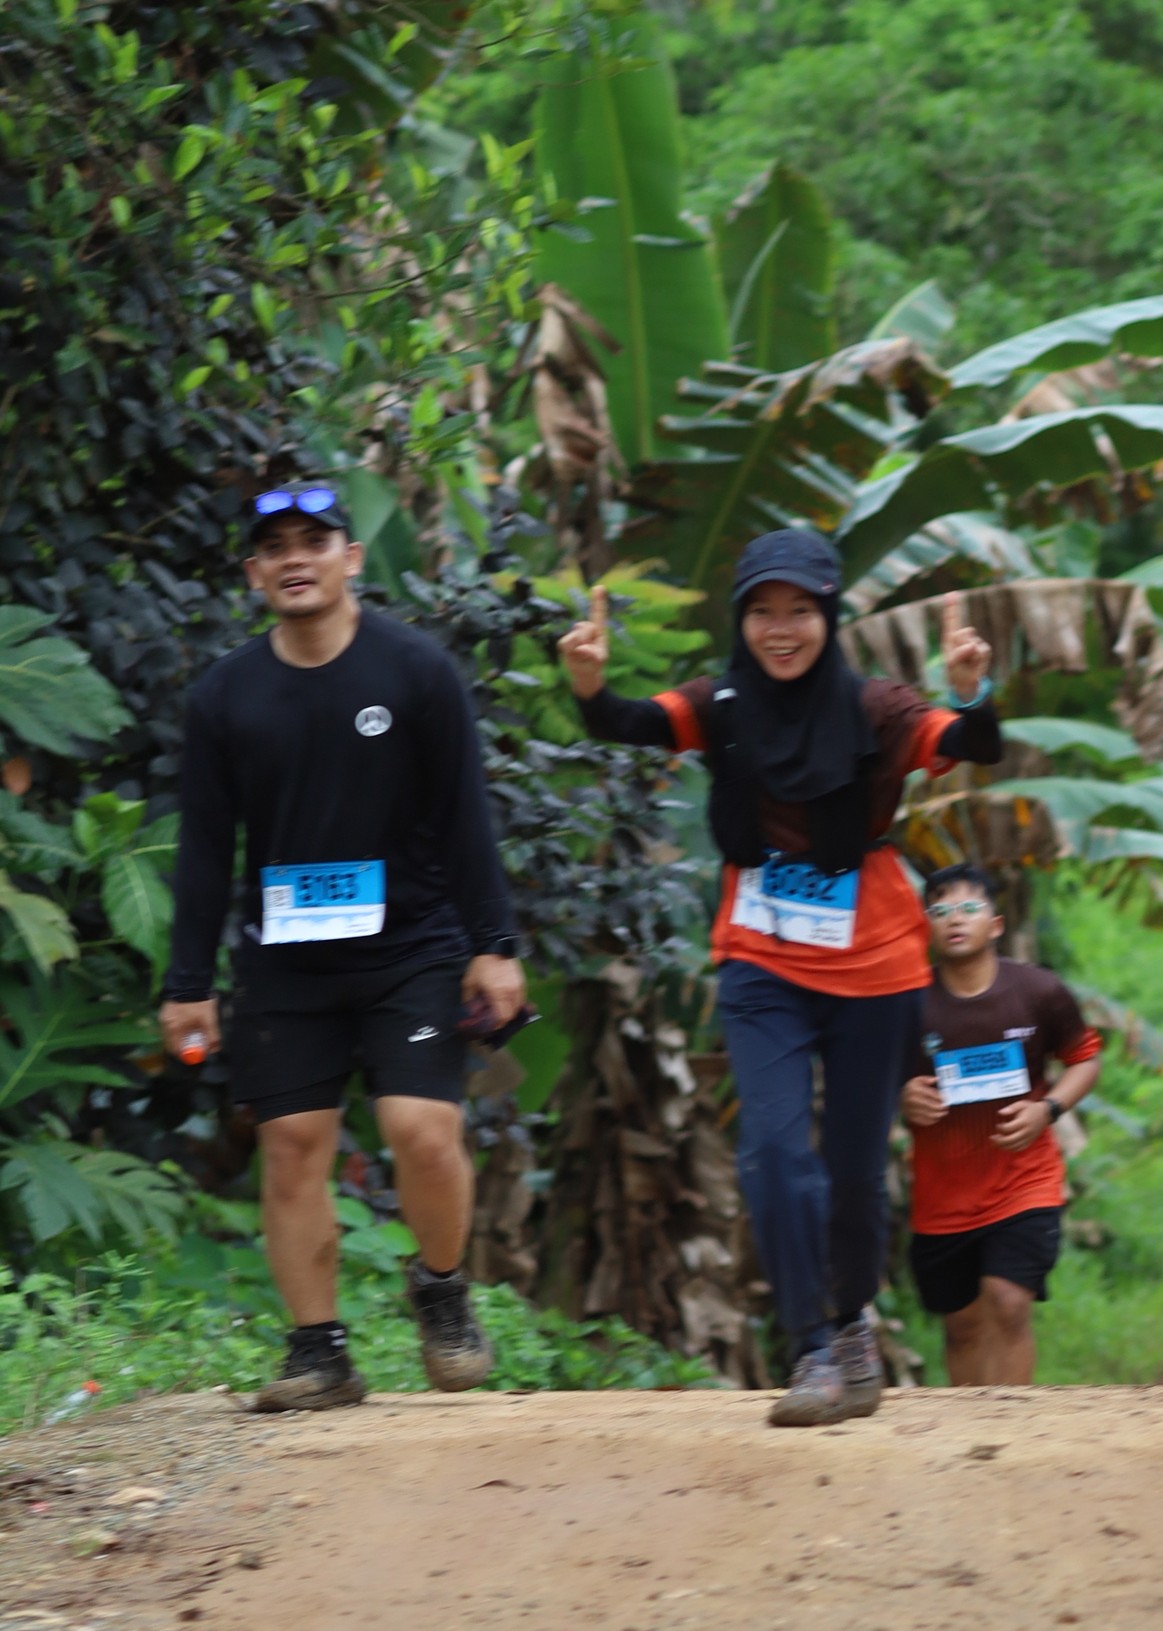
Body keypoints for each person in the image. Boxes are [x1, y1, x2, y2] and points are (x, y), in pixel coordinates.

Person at [559, 526, 1000, 1426]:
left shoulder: (877, 709)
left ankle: (851, 1324)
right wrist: (590, 684)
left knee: (854, 1173)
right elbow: (630, 723)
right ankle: (814, 1349)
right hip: (761, 962)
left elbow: (970, 741)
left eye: (800, 610)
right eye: (762, 612)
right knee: (771, 1152)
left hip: (875, 966)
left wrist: (971, 689)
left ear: (828, 617)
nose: (781, 629)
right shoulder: (720, 702)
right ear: (742, 620)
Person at [161, 483, 526, 1412]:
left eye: (315, 541)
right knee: (292, 1144)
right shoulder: (226, 696)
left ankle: (440, 1288)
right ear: (254, 572)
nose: (296, 558)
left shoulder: (416, 672)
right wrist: (188, 982)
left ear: (350, 558)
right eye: (275, 546)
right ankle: (318, 1352)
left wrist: (495, 945)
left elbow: (466, 817)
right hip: (286, 959)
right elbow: (204, 849)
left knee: (422, 1131)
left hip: (413, 946)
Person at [898, 862, 1104, 1385]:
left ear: (996, 924)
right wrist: (901, 1098)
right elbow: (868, 1080)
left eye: (969, 907)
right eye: (940, 910)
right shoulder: (907, 1007)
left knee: (1009, 1302)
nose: (955, 919)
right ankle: (971, 1429)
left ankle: (1013, 1422)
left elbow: (1084, 1059)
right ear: (926, 927)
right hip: (942, 1197)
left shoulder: (1038, 992)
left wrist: (1047, 1110)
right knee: (963, 1327)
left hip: (1024, 1182)